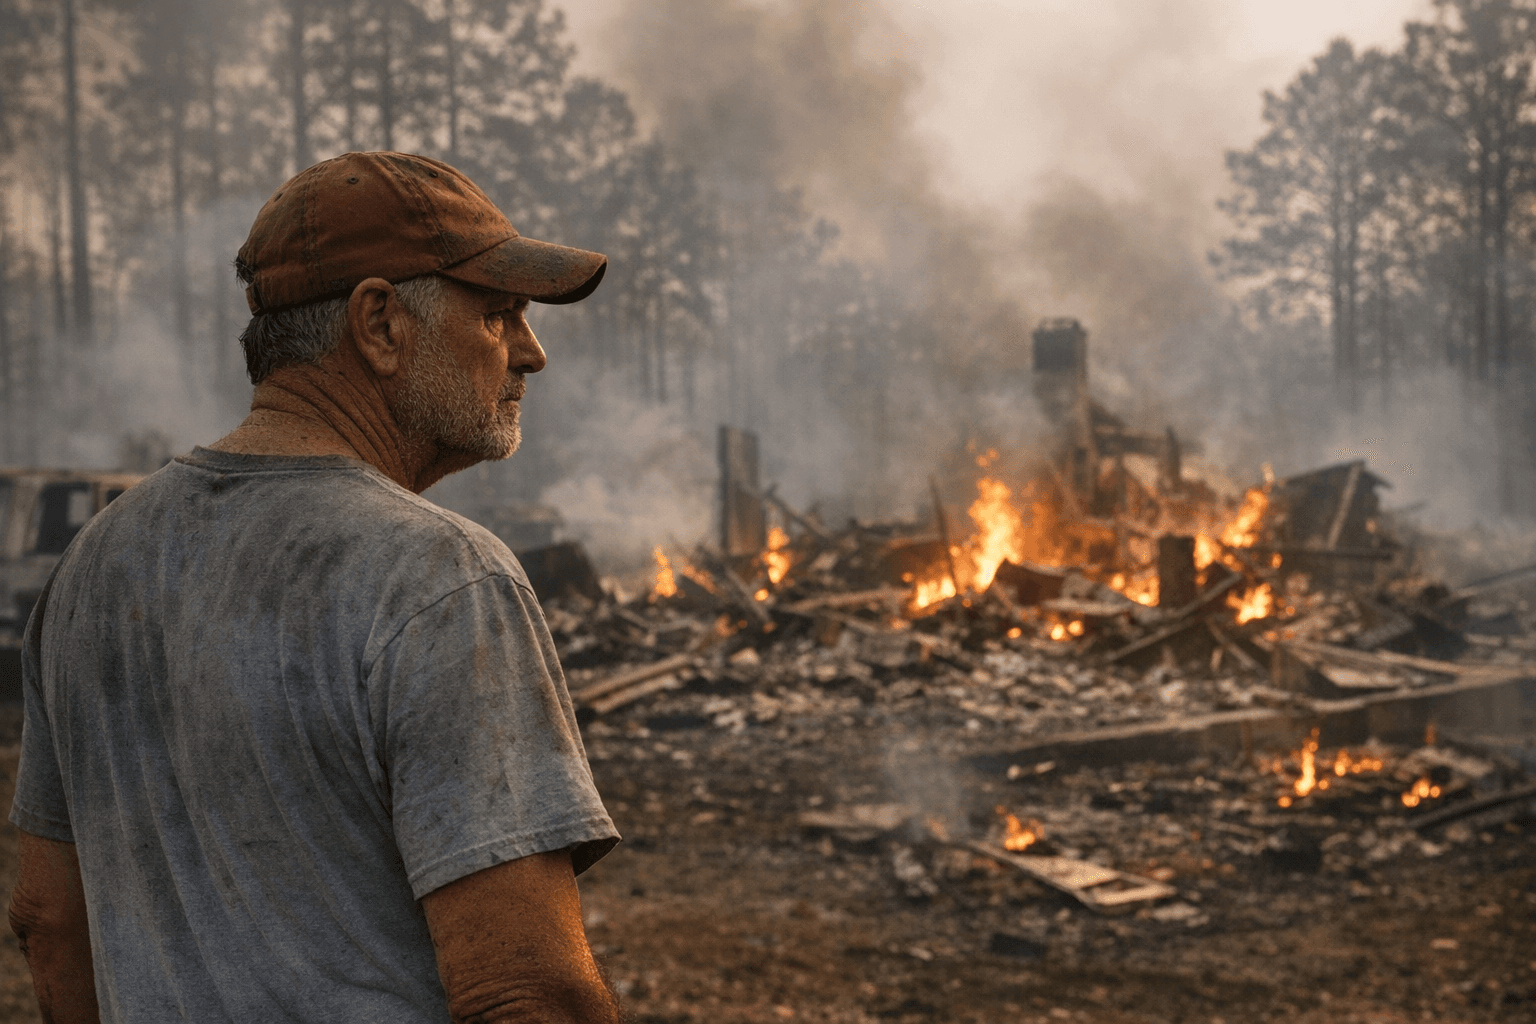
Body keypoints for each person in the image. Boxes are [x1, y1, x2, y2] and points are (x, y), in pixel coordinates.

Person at [6, 151, 623, 1024]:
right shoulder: (439, 577)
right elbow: (529, 992)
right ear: (380, 324)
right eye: (497, 314)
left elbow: (49, 922)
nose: (532, 353)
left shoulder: (93, 565)